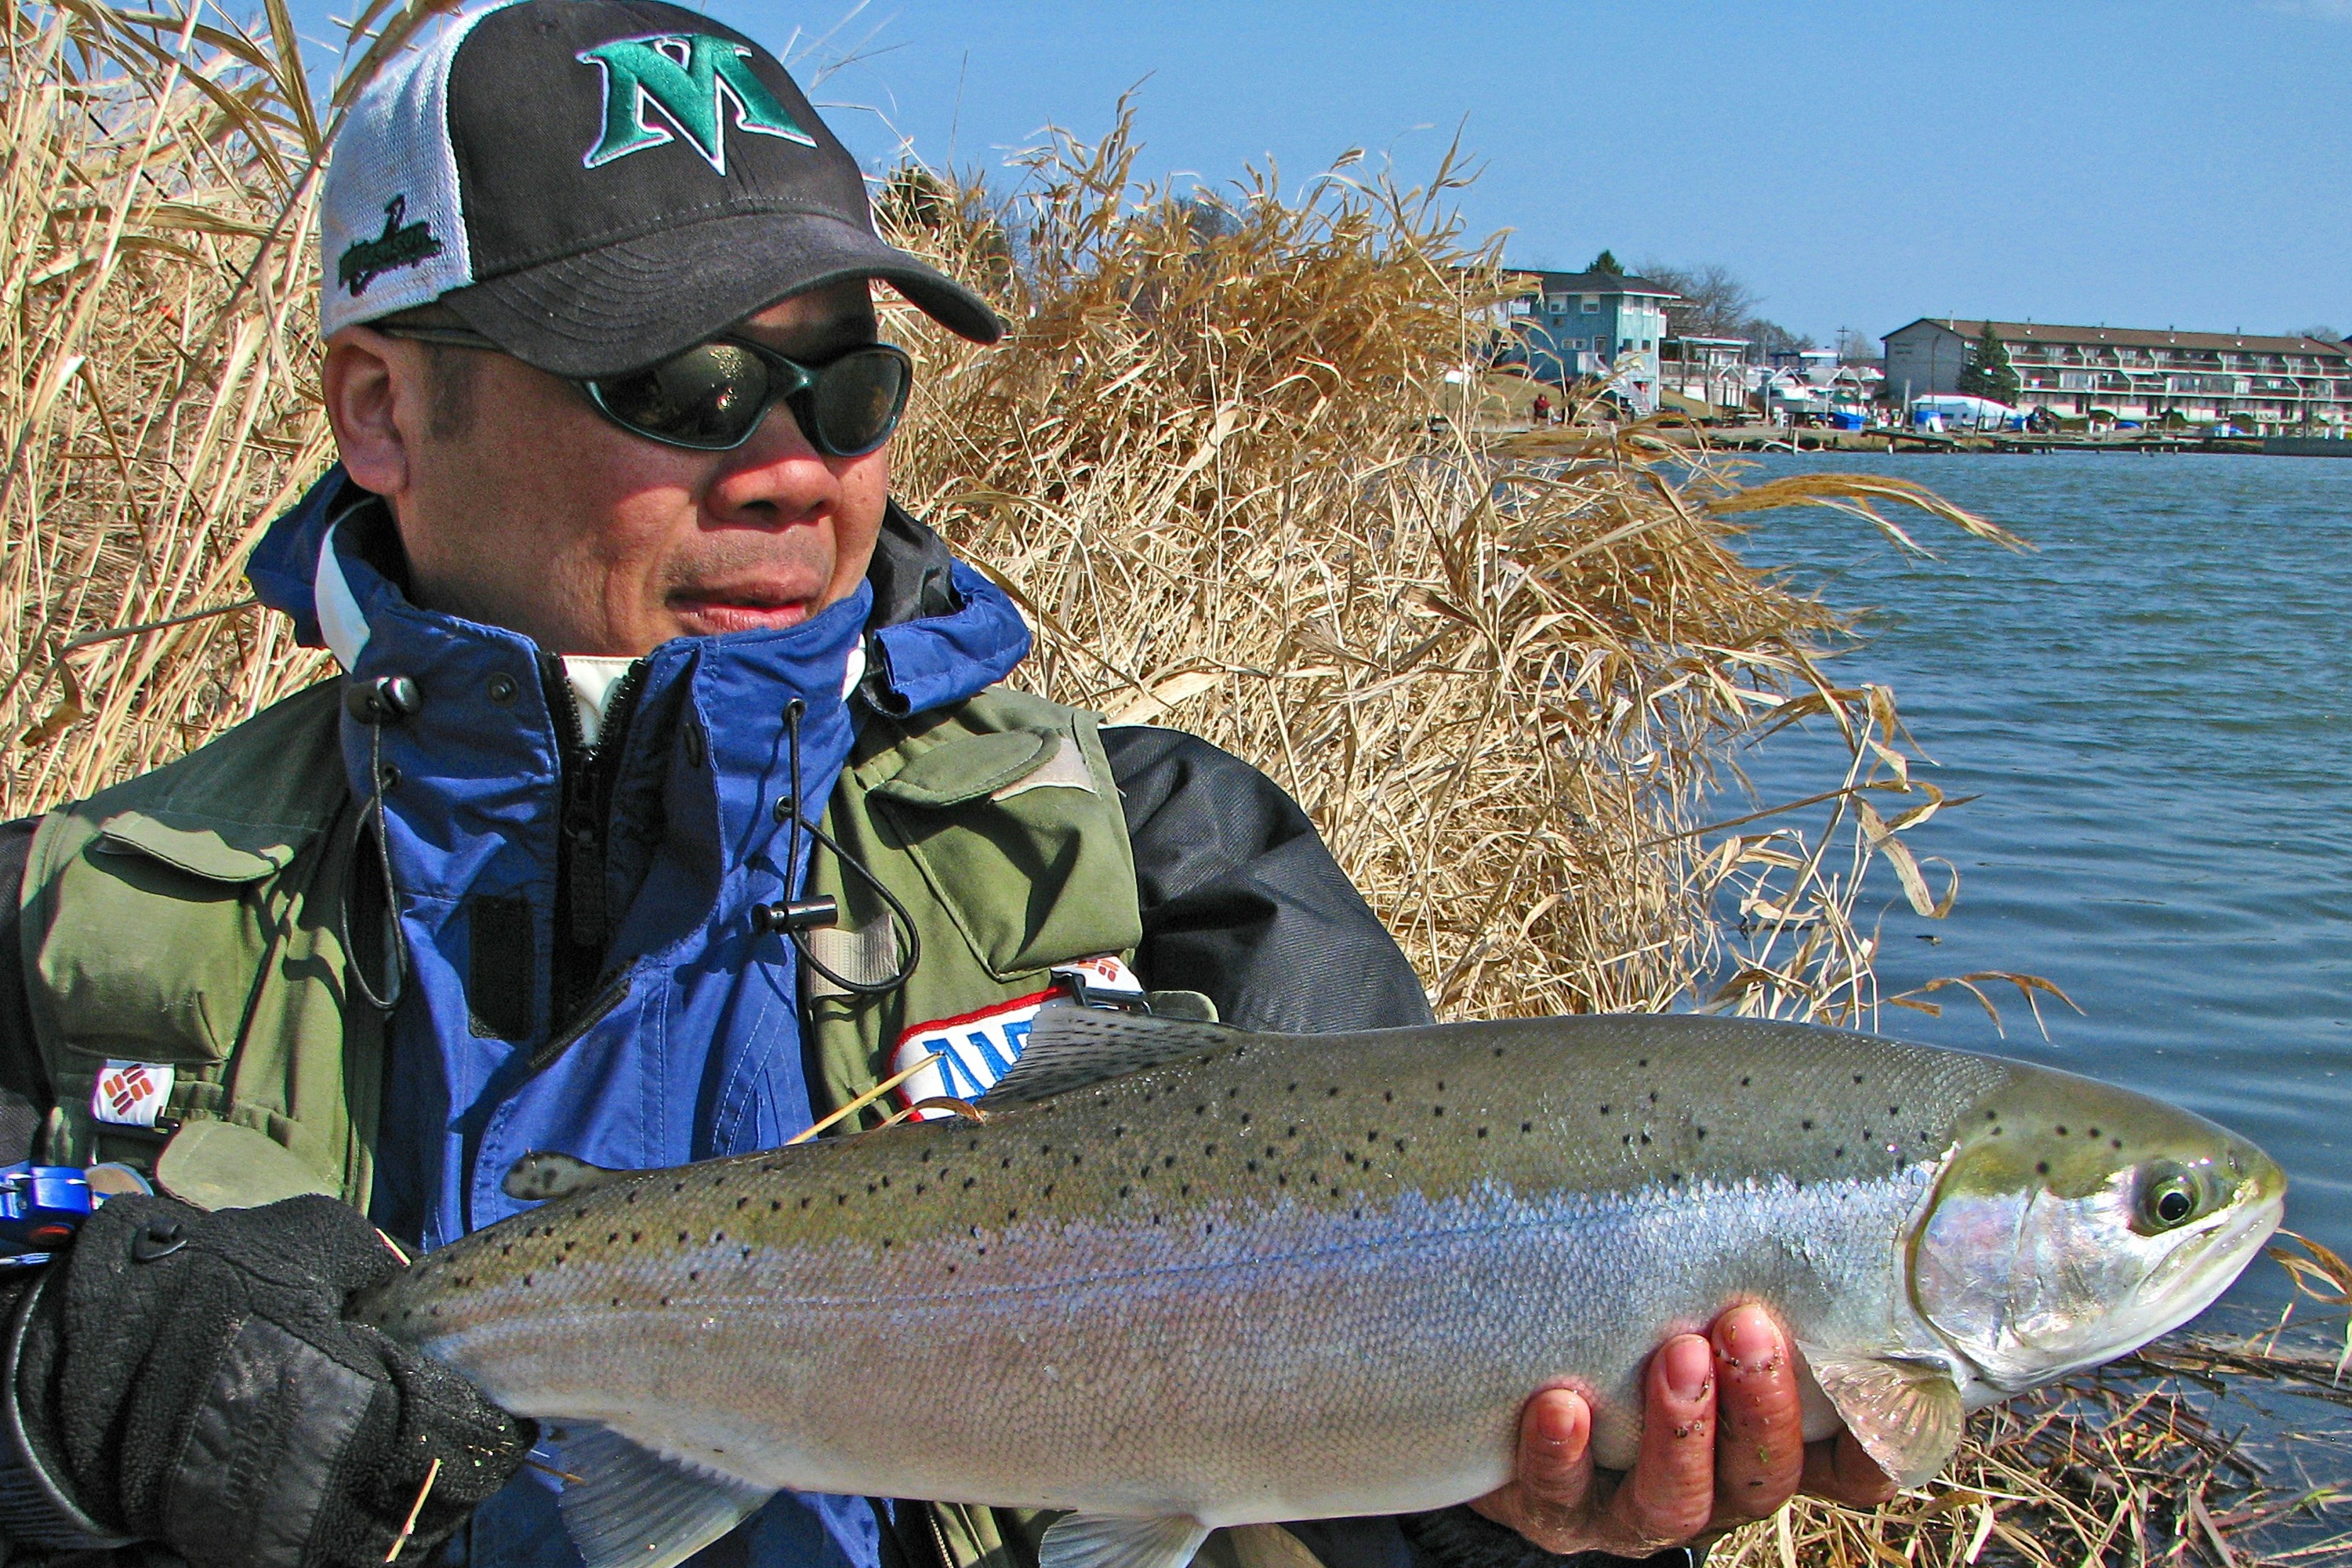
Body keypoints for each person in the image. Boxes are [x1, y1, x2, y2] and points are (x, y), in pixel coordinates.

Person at [0, 5, 1894, 1567]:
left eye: (842, 382)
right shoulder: (70, 928)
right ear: (381, 409)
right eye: (679, 383)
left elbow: (1394, 1516)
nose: (789, 466)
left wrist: (1525, 1515)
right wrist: (49, 1414)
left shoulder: (1170, 873)